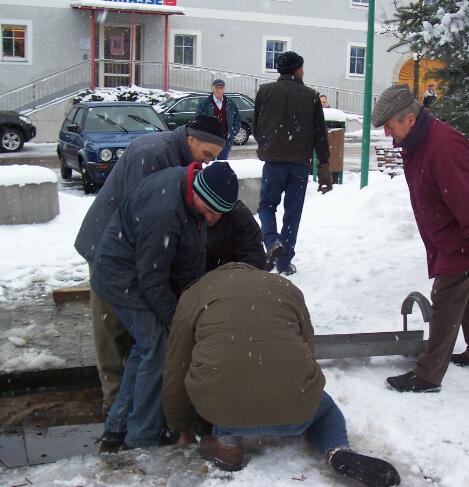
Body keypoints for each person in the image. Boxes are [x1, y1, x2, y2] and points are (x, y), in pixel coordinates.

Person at [163, 263, 401, 487]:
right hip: (296, 410)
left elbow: (177, 366)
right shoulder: (284, 287)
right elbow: (307, 346)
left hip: (226, 409)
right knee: (325, 410)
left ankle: (227, 442)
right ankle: (336, 450)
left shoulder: (196, 293)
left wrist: (181, 426)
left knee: (220, 385)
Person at [74, 116, 226, 409]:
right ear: (191, 140)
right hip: (108, 246)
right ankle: (114, 398)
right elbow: (146, 220)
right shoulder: (152, 153)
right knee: (111, 324)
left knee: (139, 327)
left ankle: (132, 393)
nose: (207, 163)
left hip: (130, 246)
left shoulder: (180, 157)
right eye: (207, 155)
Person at [92, 161, 240, 449]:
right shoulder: (165, 211)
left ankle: (117, 426)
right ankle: (142, 437)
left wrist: (194, 301)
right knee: (157, 346)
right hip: (122, 275)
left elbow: (193, 255)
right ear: (199, 193)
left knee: (144, 348)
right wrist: (179, 321)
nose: (211, 219)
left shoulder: (192, 195)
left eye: (216, 215)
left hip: (138, 271)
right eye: (208, 211)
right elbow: (152, 280)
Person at [371, 85, 469, 393]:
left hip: (459, 239)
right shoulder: (417, 144)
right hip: (449, 236)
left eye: (390, 126)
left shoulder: (443, 148)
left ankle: (428, 376)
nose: (388, 133)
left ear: (410, 120)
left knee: (445, 300)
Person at [254, 50, 333, 275]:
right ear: (298, 70)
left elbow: (256, 125)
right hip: (299, 164)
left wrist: (268, 145)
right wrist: (324, 167)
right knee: (293, 213)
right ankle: (284, 262)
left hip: (273, 162)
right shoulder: (311, 96)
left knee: (267, 206)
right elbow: (320, 134)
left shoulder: (265, 91)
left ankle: (271, 242)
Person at [196, 79, 241, 160]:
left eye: (221, 88)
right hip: (210, 141)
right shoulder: (204, 104)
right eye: (217, 88)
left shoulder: (230, 103)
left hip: (225, 140)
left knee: (222, 164)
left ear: (224, 89)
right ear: (212, 89)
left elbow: (237, 119)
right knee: (209, 164)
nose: (219, 90)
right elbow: (198, 121)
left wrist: (233, 132)